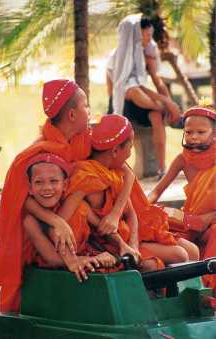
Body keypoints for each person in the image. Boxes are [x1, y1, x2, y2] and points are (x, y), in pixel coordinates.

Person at [0, 79, 134, 312]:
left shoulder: (83, 141)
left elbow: (125, 169)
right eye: (86, 106)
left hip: (87, 223)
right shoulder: (34, 154)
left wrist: (116, 214)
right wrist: (56, 220)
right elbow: (20, 200)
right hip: (47, 230)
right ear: (73, 115)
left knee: (96, 185)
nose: (90, 111)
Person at [65, 115, 198, 268]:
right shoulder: (90, 179)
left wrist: (133, 242)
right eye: (130, 147)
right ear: (115, 151)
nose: (130, 153)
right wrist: (127, 245)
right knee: (180, 255)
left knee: (192, 251)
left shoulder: (114, 169)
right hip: (113, 243)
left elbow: (131, 212)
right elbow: (102, 229)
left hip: (137, 231)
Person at [148, 104, 216, 289]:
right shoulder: (182, 159)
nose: (194, 136)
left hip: (211, 220)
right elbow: (156, 191)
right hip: (190, 219)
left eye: (201, 132)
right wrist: (141, 208)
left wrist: (207, 218)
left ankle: (210, 285)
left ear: (214, 134)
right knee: (162, 219)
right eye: (189, 132)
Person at [23, 153, 116, 284]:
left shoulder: (76, 205)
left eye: (54, 181)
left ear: (65, 185)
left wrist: (123, 247)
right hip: (53, 274)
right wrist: (82, 259)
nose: (47, 188)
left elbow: (102, 228)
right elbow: (51, 258)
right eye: (38, 182)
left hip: (84, 257)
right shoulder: (30, 220)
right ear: (30, 188)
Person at [106, 14, 181, 178]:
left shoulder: (144, 52)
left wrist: (167, 102)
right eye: (146, 35)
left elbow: (151, 83)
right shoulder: (117, 56)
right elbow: (119, 88)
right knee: (133, 91)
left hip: (141, 100)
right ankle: (165, 110)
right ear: (135, 34)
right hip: (122, 102)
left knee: (156, 116)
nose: (149, 38)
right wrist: (167, 104)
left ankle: (162, 169)